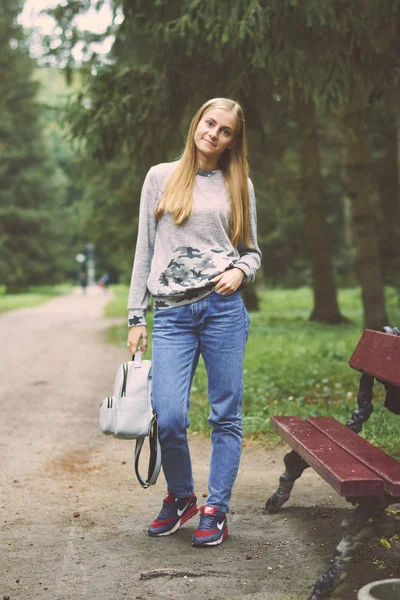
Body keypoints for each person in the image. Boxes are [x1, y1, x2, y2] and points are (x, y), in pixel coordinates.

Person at [127, 98, 261, 547]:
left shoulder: (238, 183)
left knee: (225, 416)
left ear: (232, 141)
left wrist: (241, 271)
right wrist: (135, 315)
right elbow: (144, 249)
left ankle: (216, 509)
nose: (214, 134)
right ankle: (183, 497)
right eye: (210, 124)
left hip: (223, 313)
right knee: (168, 417)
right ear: (196, 123)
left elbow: (251, 250)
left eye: (225, 131)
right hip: (171, 315)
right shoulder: (159, 177)